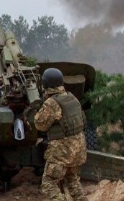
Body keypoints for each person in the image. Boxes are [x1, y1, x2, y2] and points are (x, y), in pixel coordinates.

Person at [34, 68, 88, 201]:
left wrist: (38, 108)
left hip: (62, 151)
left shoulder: (52, 103)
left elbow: (40, 125)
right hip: (78, 149)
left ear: (45, 84)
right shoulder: (72, 98)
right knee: (73, 182)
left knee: (49, 184)